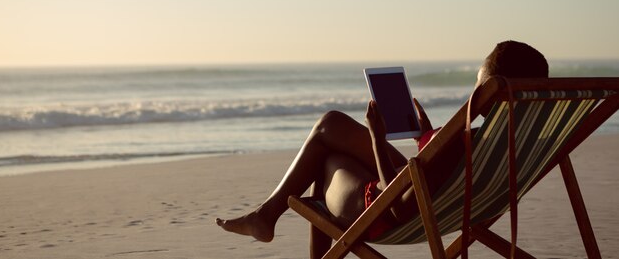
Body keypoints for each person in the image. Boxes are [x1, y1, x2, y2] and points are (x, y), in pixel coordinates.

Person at [216, 40, 549, 258]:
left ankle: (265, 217)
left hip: (382, 212)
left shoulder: (464, 140)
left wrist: (377, 139)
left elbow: (397, 211)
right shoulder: (518, 141)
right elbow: (438, 172)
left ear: (492, 90)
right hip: (442, 199)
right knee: (333, 132)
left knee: (329, 145)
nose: (474, 92)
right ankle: (265, 216)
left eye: (478, 85)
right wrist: (427, 138)